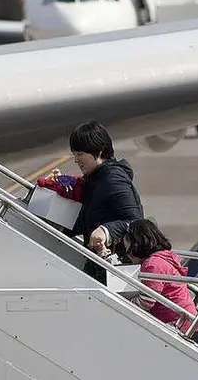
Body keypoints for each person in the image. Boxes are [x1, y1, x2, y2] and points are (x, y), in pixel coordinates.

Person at [68, 121, 144, 283]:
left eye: (80, 154)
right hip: (98, 267)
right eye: (74, 154)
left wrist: (106, 231)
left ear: (99, 150)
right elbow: (90, 219)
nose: (76, 160)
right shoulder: (96, 179)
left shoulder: (112, 179)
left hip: (114, 270)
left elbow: (135, 221)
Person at [120, 219, 198, 344]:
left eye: (128, 251)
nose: (128, 256)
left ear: (137, 245)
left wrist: (124, 302)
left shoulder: (153, 265)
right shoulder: (164, 257)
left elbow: (147, 301)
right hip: (188, 325)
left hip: (180, 328)